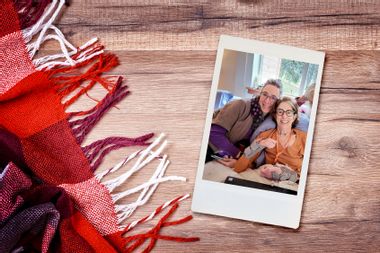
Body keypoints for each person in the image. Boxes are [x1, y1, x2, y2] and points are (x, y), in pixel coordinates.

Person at [218, 97, 306, 179]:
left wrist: (287, 174)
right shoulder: (265, 136)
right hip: (267, 182)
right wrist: (258, 145)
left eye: (289, 112)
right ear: (275, 115)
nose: (284, 116)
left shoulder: (304, 138)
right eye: (280, 111)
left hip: (293, 184)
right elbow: (238, 167)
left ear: (294, 116)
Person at [207, 79, 282, 161]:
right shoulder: (241, 105)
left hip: (229, 153)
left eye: (273, 98)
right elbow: (213, 133)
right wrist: (238, 154)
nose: (267, 100)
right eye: (265, 94)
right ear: (260, 94)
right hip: (209, 146)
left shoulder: (269, 119)